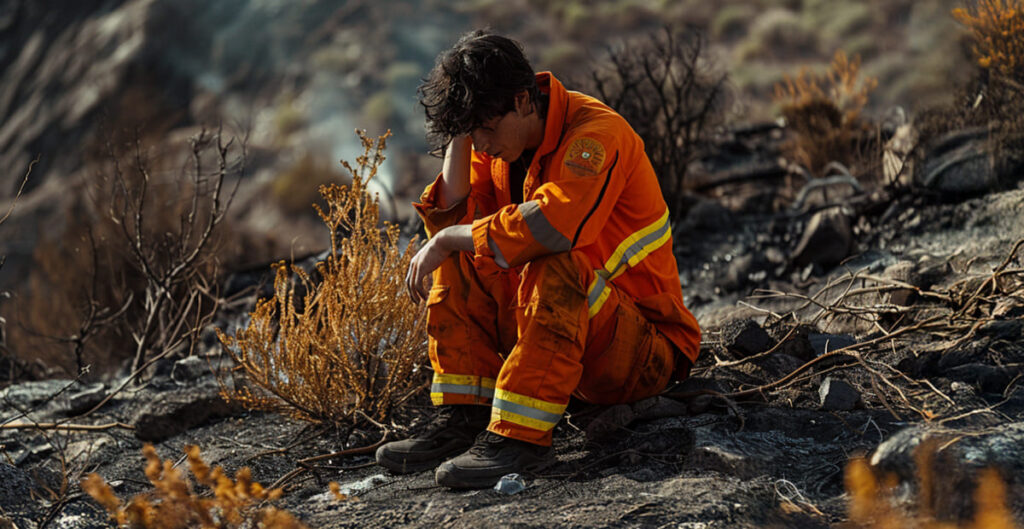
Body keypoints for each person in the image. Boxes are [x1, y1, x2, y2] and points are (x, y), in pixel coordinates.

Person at [375, 30, 701, 489]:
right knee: (461, 249)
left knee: (548, 256)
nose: (482, 143)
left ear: (524, 100)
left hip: (644, 352)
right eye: (473, 132)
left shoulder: (595, 135)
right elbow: (453, 214)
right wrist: (460, 133)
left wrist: (450, 237)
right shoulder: (502, 145)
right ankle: (466, 417)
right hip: (580, 346)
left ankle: (520, 438)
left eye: (486, 128)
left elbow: (554, 229)